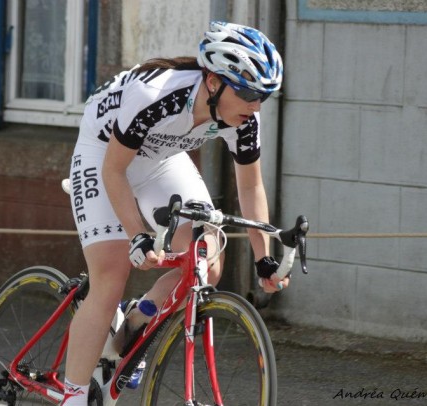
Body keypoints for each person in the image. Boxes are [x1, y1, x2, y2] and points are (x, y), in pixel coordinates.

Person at [63, 21, 289, 405]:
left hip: (159, 158)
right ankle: (73, 396)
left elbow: (250, 186)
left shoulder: (245, 120)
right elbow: (114, 171)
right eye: (250, 93)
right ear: (214, 82)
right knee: (112, 274)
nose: (256, 106)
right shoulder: (157, 94)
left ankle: (136, 323)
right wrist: (137, 234)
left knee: (208, 260)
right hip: (104, 154)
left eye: (264, 96)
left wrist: (263, 258)